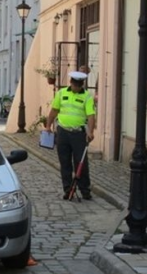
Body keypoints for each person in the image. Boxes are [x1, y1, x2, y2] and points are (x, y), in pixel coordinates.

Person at [44, 71, 96, 200]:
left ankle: (85, 190)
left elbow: (91, 116)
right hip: (63, 132)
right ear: (71, 82)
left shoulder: (87, 97)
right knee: (65, 162)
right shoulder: (61, 93)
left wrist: (90, 131)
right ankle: (68, 189)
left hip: (78, 133)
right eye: (74, 84)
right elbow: (54, 110)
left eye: (79, 85)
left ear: (82, 84)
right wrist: (48, 125)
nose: (76, 87)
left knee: (81, 163)